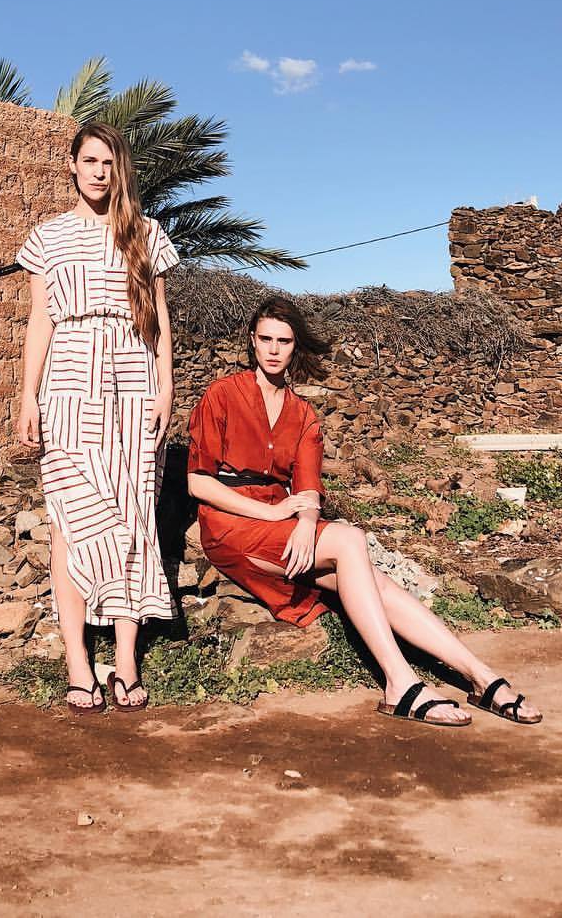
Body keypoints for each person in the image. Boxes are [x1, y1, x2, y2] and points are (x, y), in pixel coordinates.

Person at [187, 296, 542, 728]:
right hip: (231, 527)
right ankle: (400, 683)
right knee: (349, 539)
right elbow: (198, 483)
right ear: (252, 341)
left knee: (374, 581)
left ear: (295, 346)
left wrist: (305, 522)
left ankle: (480, 676)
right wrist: (276, 515)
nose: (274, 350)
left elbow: (309, 489)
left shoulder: (302, 414)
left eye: (284, 341)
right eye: (266, 339)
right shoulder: (223, 395)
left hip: (282, 526)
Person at [16, 122, 179, 713]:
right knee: (70, 515)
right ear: (72, 165)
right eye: (89, 161)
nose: (99, 172)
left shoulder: (146, 233)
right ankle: (78, 665)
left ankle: (127, 663)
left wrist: (165, 386)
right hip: (68, 381)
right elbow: (40, 321)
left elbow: (159, 320)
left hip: (132, 382)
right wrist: (27, 396)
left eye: (108, 163)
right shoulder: (47, 237)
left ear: (120, 169)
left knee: (133, 515)